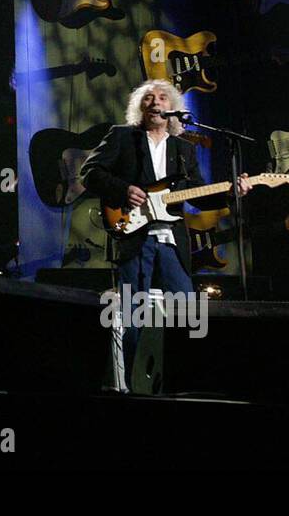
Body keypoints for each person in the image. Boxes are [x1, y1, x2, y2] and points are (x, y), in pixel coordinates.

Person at [80, 80, 251, 380]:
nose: (155, 102)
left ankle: (182, 380)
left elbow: (198, 195)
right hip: (134, 235)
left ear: (172, 109)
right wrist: (123, 190)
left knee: (186, 312)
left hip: (172, 239)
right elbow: (89, 173)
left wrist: (231, 191)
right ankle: (133, 386)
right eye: (148, 98)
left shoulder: (184, 148)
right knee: (133, 313)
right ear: (140, 107)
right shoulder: (122, 137)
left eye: (161, 98)